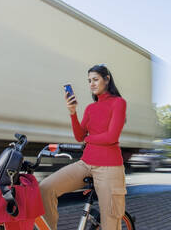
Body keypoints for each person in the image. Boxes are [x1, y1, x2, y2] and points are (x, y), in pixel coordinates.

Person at [39, 64, 127, 230]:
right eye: (89, 81)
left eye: (95, 79)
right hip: (86, 163)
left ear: (106, 80)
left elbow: (111, 137)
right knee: (45, 188)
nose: (91, 84)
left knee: (110, 222)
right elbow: (80, 136)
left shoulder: (119, 103)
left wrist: (89, 139)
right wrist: (72, 112)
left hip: (110, 168)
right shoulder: (90, 108)